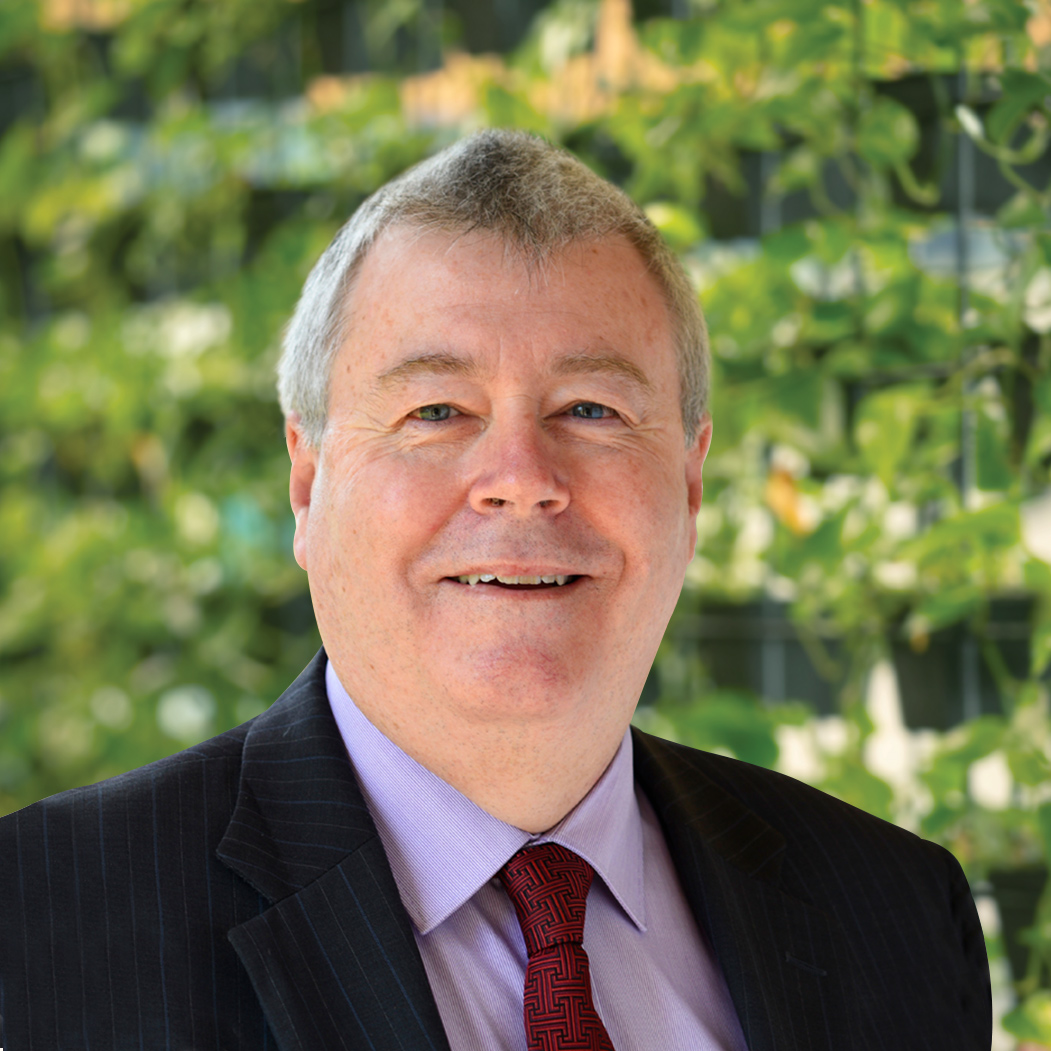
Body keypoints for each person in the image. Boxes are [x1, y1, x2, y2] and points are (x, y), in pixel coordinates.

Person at [0, 129, 990, 1050]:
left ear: (688, 484)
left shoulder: (895, 913)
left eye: (592, 408)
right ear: (308, 482)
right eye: (437, 408)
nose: (520, 473)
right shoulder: (43, 920)